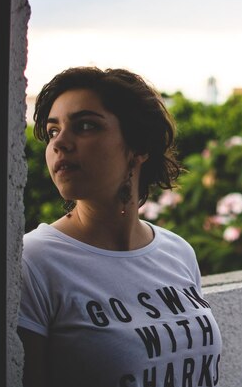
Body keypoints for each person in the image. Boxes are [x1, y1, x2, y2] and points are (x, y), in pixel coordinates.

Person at [18, 67, 222, 387]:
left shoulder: (177, 252)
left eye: (85, 126)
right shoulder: (34, 261)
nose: (61, 143)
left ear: (139, 145)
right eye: (53, 130)